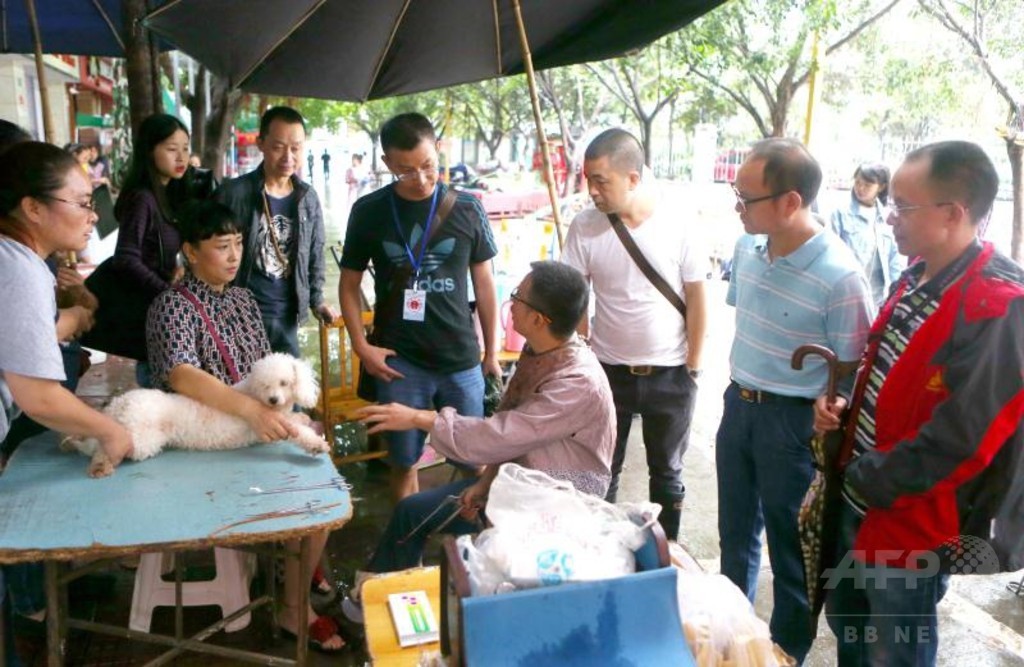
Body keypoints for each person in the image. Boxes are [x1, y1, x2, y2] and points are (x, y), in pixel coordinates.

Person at [814, 141, 1024, 667]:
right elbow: (887, 376)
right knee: (851, 630)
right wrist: (842, 414)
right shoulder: (914, 277)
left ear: (953, 213)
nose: (889, 216)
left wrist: (870, 476)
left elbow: (963, 439)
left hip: (911, 525)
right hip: (859, 496)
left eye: (903, 205)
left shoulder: (997, 307)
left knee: (894, 651)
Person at [343, 261, 615, 620]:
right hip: (520, 481)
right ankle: (382, 601)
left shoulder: (577, 381)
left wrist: (417, 417)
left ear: (539, 319)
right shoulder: (542, 351)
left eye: (517, 297)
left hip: (554, 503)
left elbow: (501, 433)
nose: (511, 304)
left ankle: (370, 606)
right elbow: (512, 432)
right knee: (412, 513)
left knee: (416, 517)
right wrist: (486, 481)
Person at [145, 199, 344, 652]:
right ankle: (295, 606)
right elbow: (180, 373)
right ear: (191, 253)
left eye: (238, 244)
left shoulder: (242, 298)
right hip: (203, 441)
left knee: (324, 482)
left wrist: (283, 407)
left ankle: (296, 566)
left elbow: (261, 367)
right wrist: (251, 411)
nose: (234, 255)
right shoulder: (170, 306)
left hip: (252, 430)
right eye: (221, 246)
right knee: (312, 503)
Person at [717, 138, 873, 662]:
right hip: (738, 404)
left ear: (789, 202)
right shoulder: (746, 248)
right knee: (734, 537)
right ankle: (730, 644)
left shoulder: (841, 276)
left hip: (793, 425)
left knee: (792, 553)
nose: (737, 207)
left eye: (747, 198)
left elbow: (853, 370)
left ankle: (786, 654)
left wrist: (835, 410)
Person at [0, 142, 135, 667]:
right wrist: (110, 431)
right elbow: (39, 396)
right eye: (80, 202)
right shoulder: (17, 267)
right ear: (32, 208)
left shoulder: (23, 261)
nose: (92, 213)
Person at [339, 112, 500, 502]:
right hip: (399, 361)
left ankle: (477, 535)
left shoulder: (468, 207)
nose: (422, 179)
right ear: (388, 164)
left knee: (473, 458)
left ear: (438, 151)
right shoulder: (369, 211)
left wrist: (491, 352)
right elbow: (348, 285)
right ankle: (407, 545)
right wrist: (362, 347)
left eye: (428, 166)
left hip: (460, 357)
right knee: (404, 462)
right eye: (406, 172)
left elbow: (485, 283)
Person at [560, 128, 707, 542]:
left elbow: (697, 297)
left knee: (668, 473)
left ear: (633, 178)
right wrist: (584, 352)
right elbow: (574, 296)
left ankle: (666, 553)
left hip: (671, 374)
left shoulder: (679, 224)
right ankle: (601, 550)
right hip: (608, 373)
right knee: (603, 467)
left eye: (600, 180)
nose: (591, 190)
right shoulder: (584, 227)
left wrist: (693, 365)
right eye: (587, 179)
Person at [216, 106, 335, 357]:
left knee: (290, 391)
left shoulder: (307, 198)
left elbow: (315, 253)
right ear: (261, 143)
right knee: (243, 391)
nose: (288, 157)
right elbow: (209, 249)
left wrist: (317, 300)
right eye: (278, 147)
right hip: (239, 317)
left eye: (296, 148)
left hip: (286, 316)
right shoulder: (233, 194)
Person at [111, 113, 192, 386]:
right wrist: (167, 292)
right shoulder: (143, 199)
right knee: (161, 389)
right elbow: (125, 258)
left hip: (162, 313)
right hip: (150, 315)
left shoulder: (168, 195)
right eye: (171, 149)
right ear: (149, 151)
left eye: (185, 148)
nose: (181, 157)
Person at [829, 163, 904, 306]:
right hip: (846, 293)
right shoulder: (840, 213)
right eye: (857, 182)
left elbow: (894, 258)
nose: (860, 188)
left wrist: (895, 293)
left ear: (881, 187)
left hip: (877, 297)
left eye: (867, 185)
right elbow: (830, 253)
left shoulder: (886, 217)